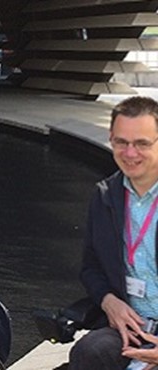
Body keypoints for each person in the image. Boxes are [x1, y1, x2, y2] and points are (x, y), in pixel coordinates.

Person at [69, 96, 158, 369]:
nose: (130, 153)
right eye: (121, 142)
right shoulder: (105, 195)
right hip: (130, 325)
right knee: (88, 353)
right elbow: (90, 267)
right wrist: (109, 302)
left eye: (142, 143)